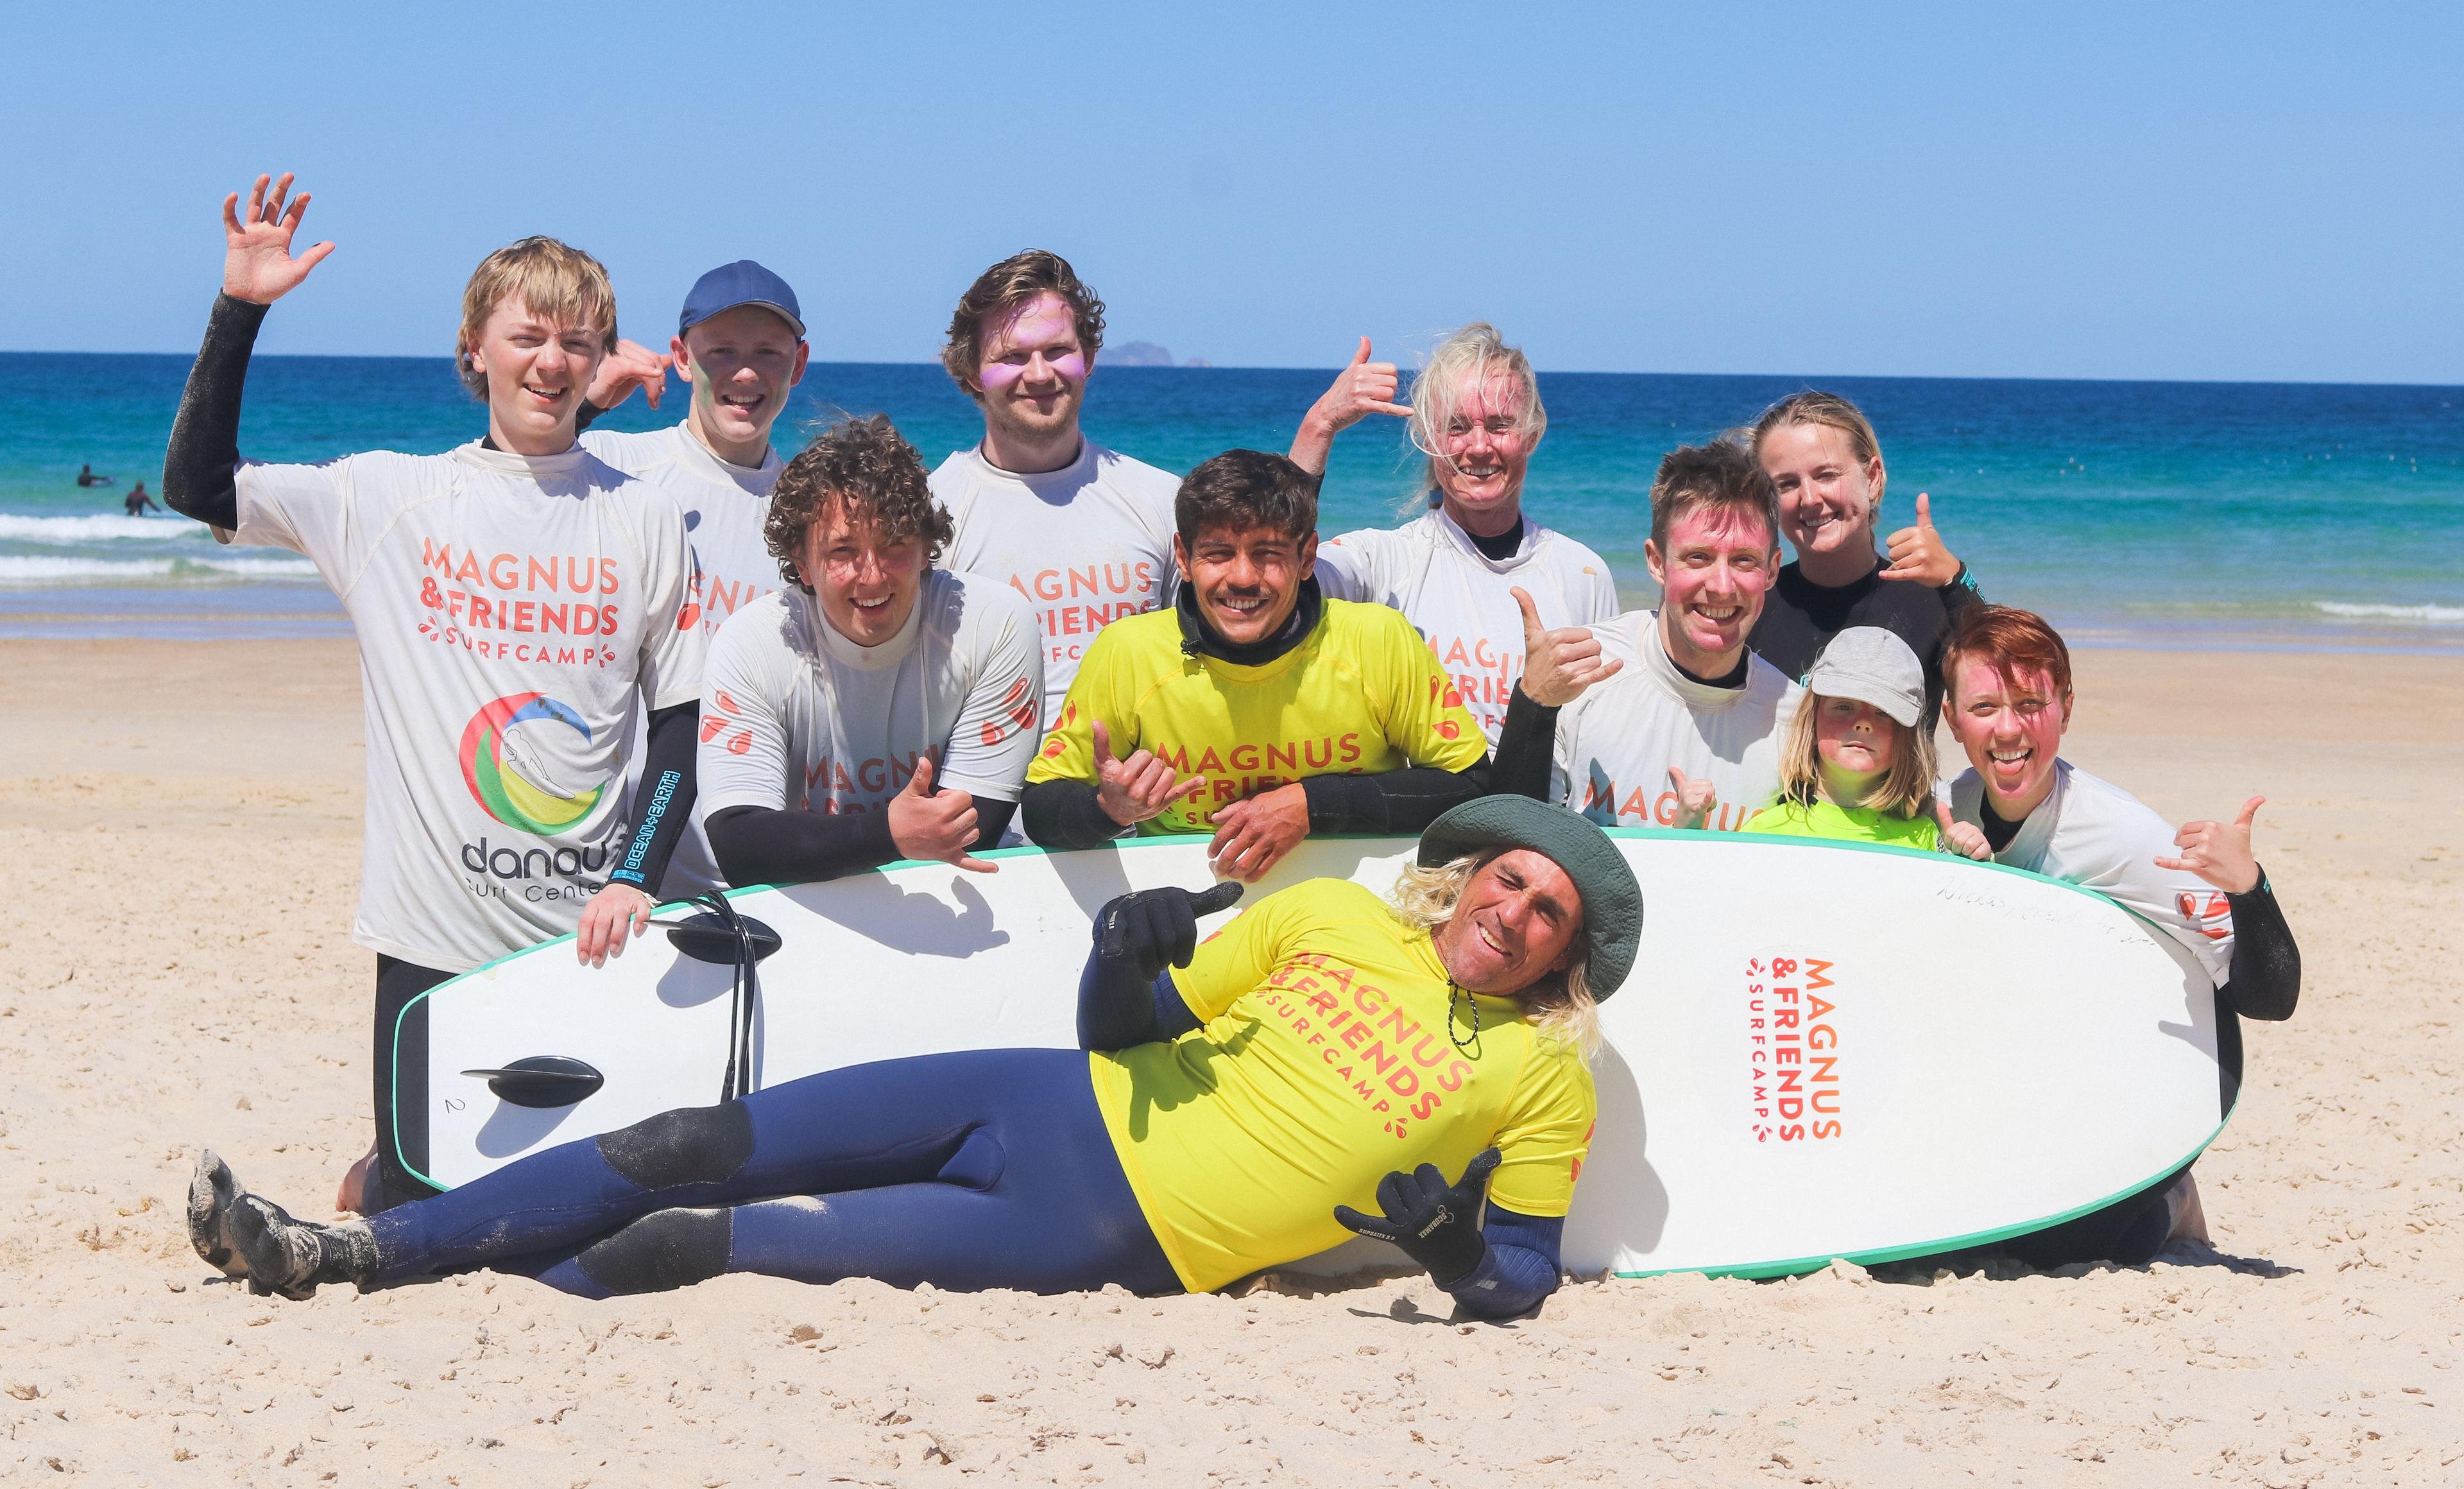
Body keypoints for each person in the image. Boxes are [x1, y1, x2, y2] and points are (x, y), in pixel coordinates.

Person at [191, 795, 1641, 1319]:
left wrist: (1454, 1250)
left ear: (1562, 960)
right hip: (1034, 1087)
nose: (1512, 917)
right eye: (1509, 882)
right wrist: (1119, 957)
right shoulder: (1325, 914)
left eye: (1547, 918)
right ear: (1467, 873)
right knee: (689, 1139)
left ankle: (422, 1281)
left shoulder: (1540, 1078)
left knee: (707, 1238)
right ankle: (370, 1249)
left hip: (1103, 1227)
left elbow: (1516, 1277)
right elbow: (1115, 1032)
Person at [160, 174, 704, 1215]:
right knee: (420, 1206)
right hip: (430, 940)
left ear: (599, 361)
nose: (551, 360)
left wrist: (635, 877)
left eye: (578, 342)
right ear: (475, 350)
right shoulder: (389, 501)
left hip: (582, 938)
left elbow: (679, 728)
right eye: (528, 335)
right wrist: (241, 309)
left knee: (576, 1206)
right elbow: (198, 486)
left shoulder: (643, 520)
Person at [1938, 604, 2302, 1266]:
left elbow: (2271, 997)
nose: (2010, 728)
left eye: (2031, 703)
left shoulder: (2126, 837)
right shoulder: (1944, 808)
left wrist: (2250, 888)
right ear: (1952, 717)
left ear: (2066, 710)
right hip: (2033, 1068)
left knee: (2074, 1247)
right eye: (1986, 705)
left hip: (2156, 1079)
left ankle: (2173, 1199)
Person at [1020, 449, 1490, 882]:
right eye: (1218, 553)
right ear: (1183, 558)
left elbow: (1473, 789)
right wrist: (1109, 809)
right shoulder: (1130, 652)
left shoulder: (1377, 640)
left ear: (1307, 558)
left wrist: (1314, 805)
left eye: (1268, 554)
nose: (1243, 578)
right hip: (1187, 908)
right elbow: (1042, 809)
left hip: (1351, 903)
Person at [697, 415, 1043, 886]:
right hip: (811, 912)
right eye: (842, 551)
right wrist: (890, 833)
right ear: (802, 563)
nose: (873, 575)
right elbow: (740, 847)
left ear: (927, 549)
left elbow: (972, 832)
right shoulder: (751, 645)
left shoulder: (994, 622)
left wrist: (882, 837)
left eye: (894, 543)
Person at [572, 260, 811, 896]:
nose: (744, 372)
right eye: (721, 351)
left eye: (768, 352)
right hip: (612, 859)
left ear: (799, 363)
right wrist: (587, 403)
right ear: (681, 358)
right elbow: (496, 490)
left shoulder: (815, 509)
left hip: (753, 858)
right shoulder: (617, 466)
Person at [1290, 325, 1620, 744]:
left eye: (1500, 425)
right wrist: (1319, 426)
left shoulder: (1583, 574)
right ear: (1429, 439)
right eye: (1458, 426)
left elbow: (1605, 727)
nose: (1480, 447)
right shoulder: (1386, 564)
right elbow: (1280, 577)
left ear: (1532, 436)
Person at [928, 250, 1182, 727]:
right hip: (992, 799)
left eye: (1058, 350)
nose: (1040, 374)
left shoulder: (1161, 500)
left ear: (1088, 358)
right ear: (971, 374)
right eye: (1012, 357)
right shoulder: (930, 511)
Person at [1491, 441, 1800, 832]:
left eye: (1744, 561)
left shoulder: (1794, 718)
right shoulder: (1582, 677)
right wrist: (1533, 704)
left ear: (1772, 571)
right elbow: (1511, 839)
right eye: (1698, 558)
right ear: (1657, 562)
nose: (1722, 586)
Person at [1745, 391, 1984, 710]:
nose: (1810, 498)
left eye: (1827, 475)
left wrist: (1955, 579)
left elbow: (2009, 677)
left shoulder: (1927, 603)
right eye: (1786, 484)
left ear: (1872, 477)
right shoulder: (1753, 604)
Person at [1740, 626, 1987, 855]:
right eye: (1844, 706)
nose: (1863, 723)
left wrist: (1971, 860)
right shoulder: (1766, 831)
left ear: (1909, 740)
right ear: (1812, 718)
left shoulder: (1924, 839)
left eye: (1883, 713)